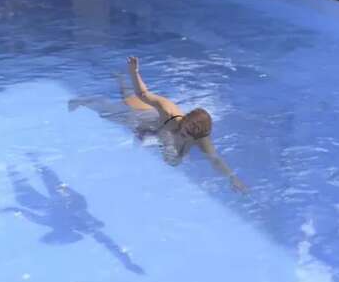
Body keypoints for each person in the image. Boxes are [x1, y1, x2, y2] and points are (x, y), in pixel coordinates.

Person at [71, 56, 247, 193]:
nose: (184, 134)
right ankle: (84, 100)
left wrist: (232, 178)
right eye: (184, 130)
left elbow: (215, 159)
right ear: (184, 119)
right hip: (141, 116)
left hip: (155, 131)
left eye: (188, 135)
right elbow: (143, 94)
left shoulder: (201, 138)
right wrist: (134, 72)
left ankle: (119, 77)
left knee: (173, 160)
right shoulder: (169, 112)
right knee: (109, 111)